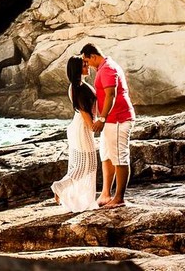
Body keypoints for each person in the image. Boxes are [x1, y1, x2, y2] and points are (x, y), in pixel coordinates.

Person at [81, 44, 135, 208]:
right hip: (110, 122)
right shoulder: (104, 67)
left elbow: (111, 94)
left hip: (118, 119)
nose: (86, 64)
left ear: (93, 56)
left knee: (119, 157)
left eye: (86, 60)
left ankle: (119, 199)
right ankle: (105, 194)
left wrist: (102, 118)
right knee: (106, 156)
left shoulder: (107, 69)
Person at [50, 55, 99, 212]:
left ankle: (68, 193)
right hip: (82, 129)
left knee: (81, 165)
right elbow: (85, 113)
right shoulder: (81, 89)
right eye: (84, 65)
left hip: (77, 128)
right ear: (78, 69)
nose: (88, 67)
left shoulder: (74, 86)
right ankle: (59, 187)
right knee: (88, 165)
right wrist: (95, 125)